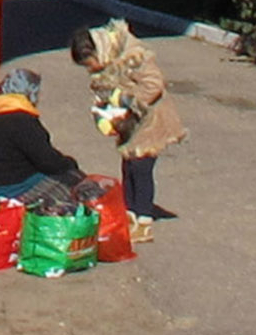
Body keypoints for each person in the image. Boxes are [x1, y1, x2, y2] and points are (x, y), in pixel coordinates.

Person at [73, 18, 183, 223]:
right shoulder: (107, 62)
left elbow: (154, 85)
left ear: (98, 52)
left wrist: (127, 100)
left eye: (89, 63)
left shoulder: (134, 57)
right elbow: (105, 91)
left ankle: (143, 213)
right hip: (129, 121)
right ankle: (129, 209)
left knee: (141, 166)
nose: (90, 69)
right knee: (129, 165)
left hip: (150, 118)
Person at [0, 62, 87, 227]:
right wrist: (70, 164)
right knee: (72, 180)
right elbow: (48, 162)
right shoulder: (22, 120)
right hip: (9, 188)